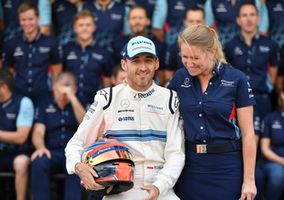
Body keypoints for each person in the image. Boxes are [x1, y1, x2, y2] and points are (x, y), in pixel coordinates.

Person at [65, 35, 185, 200]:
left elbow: (176, 153)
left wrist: (159, 187)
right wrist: (78, 167)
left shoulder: (171, 99)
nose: (143, 67)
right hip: (119, 189)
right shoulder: (107, 98)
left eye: (148, 60)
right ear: (124, 64)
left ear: (157, 63)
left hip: (160, 189)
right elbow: (75, 144)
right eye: (135, 61)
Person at [168, 24, 257, 200]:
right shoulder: (179, 77)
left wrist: (249, 180)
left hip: (227, 167)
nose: (189, 63)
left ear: (212, 52)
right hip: (190, 166)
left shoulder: (236, 78)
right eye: (185, 57)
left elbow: (248, 134)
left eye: (195, 57)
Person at [30, 72, 85, 200]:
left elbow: (86, 124)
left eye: (66, 92)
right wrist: (41, 147)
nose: (62, 96)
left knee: (75, 164)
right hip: (51, 152)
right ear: (54, 87)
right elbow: (38, 131)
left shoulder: (79, 101)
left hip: (73, 152)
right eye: (59, 90)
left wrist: (72, 98)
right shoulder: (45, 102)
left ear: (74, 89)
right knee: (39, 162)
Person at [224, 1, 279, 125]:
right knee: (239, 139)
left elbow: (273, 75)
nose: (249, 19)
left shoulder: (270, 44)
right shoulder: (230, 46)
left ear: (258, 18)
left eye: (252, 15)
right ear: (238, 20)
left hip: (262, 99)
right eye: (244, 15)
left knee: (263, 140)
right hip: (238, 100)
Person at [3, 2, 62, 107]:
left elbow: (56, 71)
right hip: (19, 96)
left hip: (44, 95)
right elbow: (8, 72)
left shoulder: (51, 42)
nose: (27, 23)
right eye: (23, 20)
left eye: (30, 19)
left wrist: (55, 92)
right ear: (19, 20)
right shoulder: (11, 43)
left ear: (38, 18)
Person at [62, 10, 113, 106]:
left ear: (94, 27)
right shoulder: (66, 49)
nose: (84, 28)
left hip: (93, 103)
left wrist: (105, 104)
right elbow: (59, 75)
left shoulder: (103, 53)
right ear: (74, 28)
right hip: (68, 101)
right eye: (80, 25)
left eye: (88, 25)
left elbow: (107, 81)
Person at [0, 68, 34, 200]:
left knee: (21, 163)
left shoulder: (23, 102)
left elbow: (21, 137)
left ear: (3, 87)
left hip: (18, 152)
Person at [164, 6, 206, 85]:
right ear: (185, 22)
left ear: (204, 22)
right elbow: (168, 76)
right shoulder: (174, 47)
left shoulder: (210, 47)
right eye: (191, 21)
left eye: (198, 21)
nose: (194, 24)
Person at [204, 0, 269, 45]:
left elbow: (262, 31)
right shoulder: (212, 2)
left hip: (247, 49)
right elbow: (207, 29)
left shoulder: (254, 1)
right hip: (222, 48)